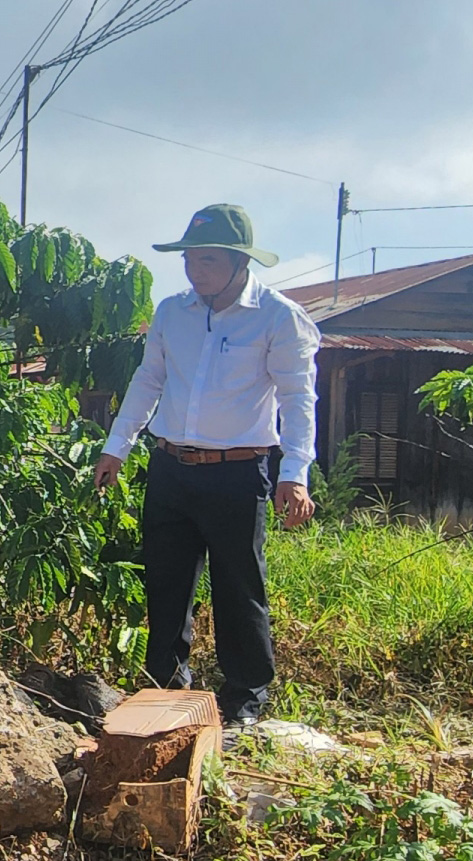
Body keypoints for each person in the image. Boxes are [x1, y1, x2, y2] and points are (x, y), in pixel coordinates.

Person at [94, 204, 319, 724]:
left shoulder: (278, 317)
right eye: (191, 259)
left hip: (237, 472)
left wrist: (294, 473)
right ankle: (166, 686)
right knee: (166, 580)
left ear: (242, 263)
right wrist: (117, 446)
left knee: (239, 584)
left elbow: (299, 398)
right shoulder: (173, 312)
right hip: (171, 467)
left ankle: (245, 697)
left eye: (210, 261)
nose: (197, 271)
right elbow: (149, 379)